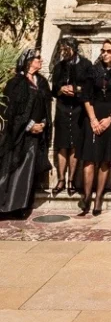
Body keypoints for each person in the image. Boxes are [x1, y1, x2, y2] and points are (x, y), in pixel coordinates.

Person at [78, 39, 111, 216]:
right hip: (93, 115)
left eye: (109, 51)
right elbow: (86, 97)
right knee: (89, 158)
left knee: (105, 159)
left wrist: (109, 119)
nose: (105, 54)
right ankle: (86, 196)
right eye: (103, 50)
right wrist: (93, 119)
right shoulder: (93, 71)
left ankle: (99, 197)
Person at [0, 48, 51, 217]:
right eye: (37, 58)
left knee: (28, 170)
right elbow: (12, 111)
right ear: (29, 61)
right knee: (13, 168)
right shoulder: (16, 83)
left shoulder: (42, 82)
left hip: (35, 136)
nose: (40, 60)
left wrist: (43, 123)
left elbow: (46, 108)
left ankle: (21, 206)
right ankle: (7, 207)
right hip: (18, 135)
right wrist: (29, 125)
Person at [51, 37, 93, 196]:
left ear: (73, 48)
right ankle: (61, 179)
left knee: (75, 145)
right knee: (62, 145)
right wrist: (61, 90)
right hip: (62, 107)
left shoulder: (86, 65)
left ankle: (71, 180)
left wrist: (75, 89)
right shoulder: (59, 66)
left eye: (66, 49)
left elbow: (89, 87)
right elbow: (54, 89)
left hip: (78, 109)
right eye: (62, 49)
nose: (63, 52)